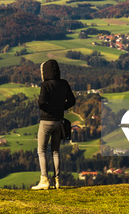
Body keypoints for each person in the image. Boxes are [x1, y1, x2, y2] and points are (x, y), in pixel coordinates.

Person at [32, 59, 75, 190]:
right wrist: (61, 107)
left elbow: (41, 103)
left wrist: (49, 109)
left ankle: (44, 179)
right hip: (59, 121)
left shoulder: (45, 85)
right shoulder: (64, 83)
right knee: (56, 151)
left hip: (46, 121)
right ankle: (57, 181)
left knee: (41, 150)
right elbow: (72, 100)